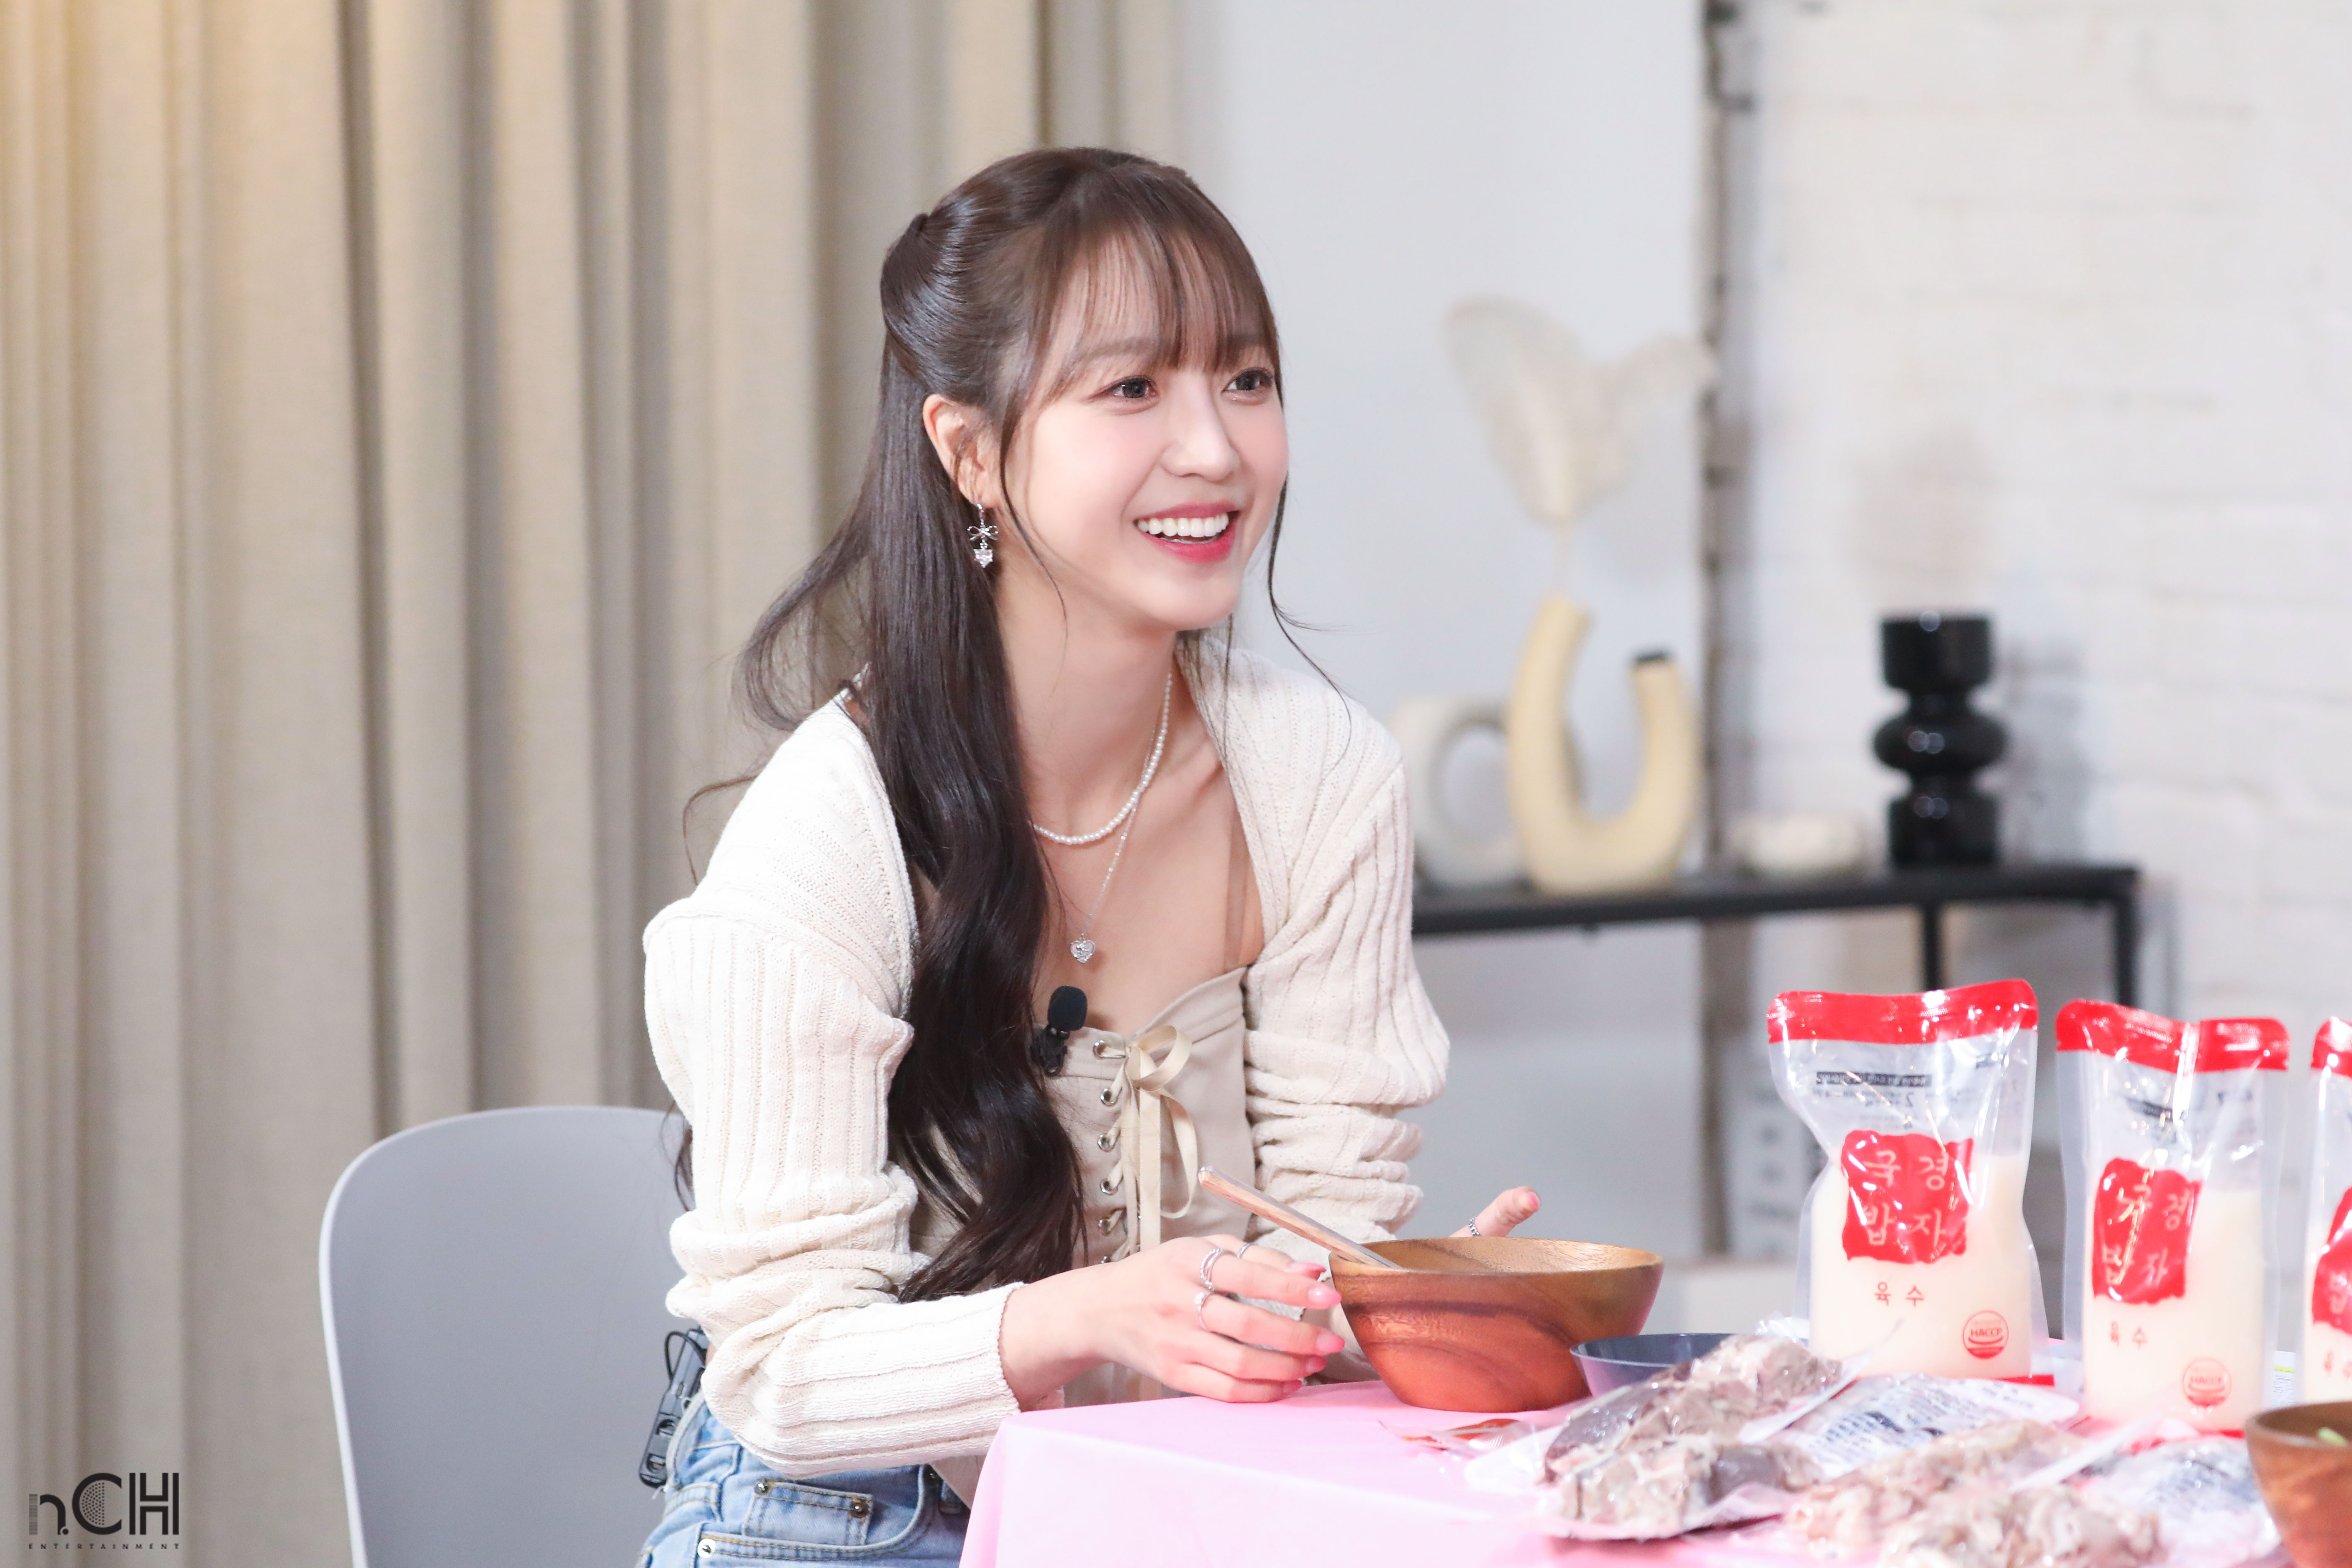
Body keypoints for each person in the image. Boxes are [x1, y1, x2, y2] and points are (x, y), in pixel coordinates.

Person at [638, 146, 1539, 1568]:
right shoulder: (830, 836)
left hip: (1169, 1496)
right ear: (971, 451)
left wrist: (1400, 1297)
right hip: (846, 1514)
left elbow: (1325, 1223)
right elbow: (782, 1375)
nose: (1216, 449)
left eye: (1245, 378)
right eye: (1132, 389)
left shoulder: (1319, 780)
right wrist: (1088, 1316)